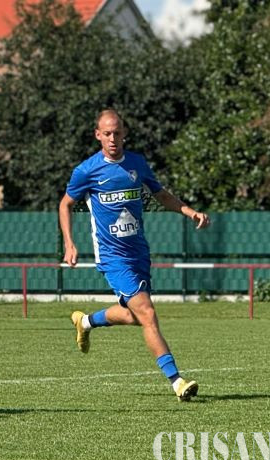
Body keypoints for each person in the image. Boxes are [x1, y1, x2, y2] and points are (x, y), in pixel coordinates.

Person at [58, 109, 210, 402]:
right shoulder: (86, 171)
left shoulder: (137, 163)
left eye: (117, 133)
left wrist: (190, 212)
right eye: (107, 133)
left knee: (135, 315)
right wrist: (69, 243)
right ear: (98, 135)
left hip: (139, 252)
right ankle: (177, 381)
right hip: (112, 257)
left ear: (124, 133)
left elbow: (161, 194)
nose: (112, 138)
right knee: (148, 314)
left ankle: (86, 322)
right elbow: (65, 204)